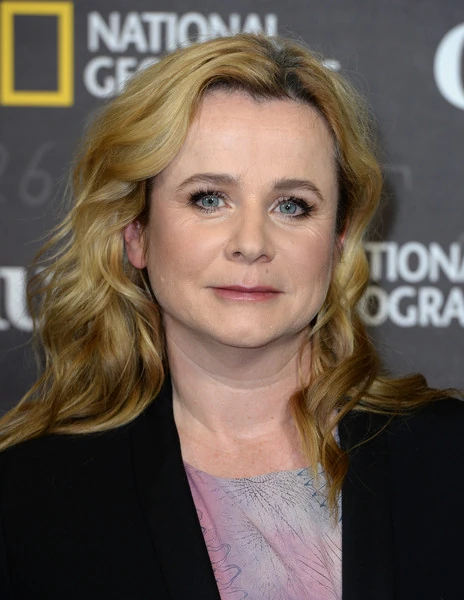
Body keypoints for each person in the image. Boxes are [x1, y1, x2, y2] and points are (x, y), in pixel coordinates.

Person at [0, 33, 462, 600]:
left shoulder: (449, 458)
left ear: (339, 240)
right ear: (136, 232)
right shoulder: (30, 498)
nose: (251, 243)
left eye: (292, 205)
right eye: (209, 199)